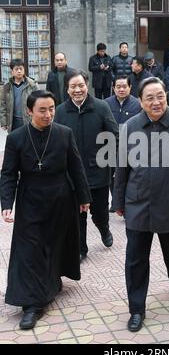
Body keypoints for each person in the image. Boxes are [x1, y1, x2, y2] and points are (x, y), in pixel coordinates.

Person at [113, 77, 169, 332]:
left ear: (167, 96)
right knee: (135, 258)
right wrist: (118, 201)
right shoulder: (130, 126)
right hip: (138, 202)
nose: (156, 102)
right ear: (140, 101)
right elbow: (122, 168)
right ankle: (137, 309)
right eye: (149, 98)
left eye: (160, 96)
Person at [0, 90, 91, 330]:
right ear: (29, 111)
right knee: (29, 251)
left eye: (52, 109)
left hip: (60, 199)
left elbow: (76, 166)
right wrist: (6, 204)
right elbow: (8, 173)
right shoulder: (16, 138)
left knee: (53, 246)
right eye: (42, 110)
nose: (48, 114)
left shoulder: (64, 134)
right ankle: (32, 305)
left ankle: (51, 281)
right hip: (30, 200)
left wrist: (84, 197)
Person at [54, 70, 119, 261]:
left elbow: (113, 136)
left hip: (97, 172)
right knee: (76, 216)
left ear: (87, 85)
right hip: (72, 176)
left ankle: (104, 229)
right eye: (73, 86)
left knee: (99, 213)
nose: (77, 90)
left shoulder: (101, 107)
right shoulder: (60, 111)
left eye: (81, 85)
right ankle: (81, 247)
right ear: (67, 89)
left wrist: (108, 162)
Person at [105, 75, 141, 210]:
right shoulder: (106, 104)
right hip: (110, 145)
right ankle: (116, 201)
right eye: (118, 87)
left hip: (132, 145)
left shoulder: (137, 104)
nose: (121, 89)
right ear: (113, 88)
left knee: (128, 173)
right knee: (112, 175)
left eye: (124, 87)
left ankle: (127, 201)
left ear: (130, 87)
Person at [0, 59, 39, 132]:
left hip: (29, 120)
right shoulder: (7, 86)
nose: (19, 71)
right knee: (14, 141)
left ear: (24, 70)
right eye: (16, 69)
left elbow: (39, 102)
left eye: (21, 69)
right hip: (13, 121)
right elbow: (3, 105)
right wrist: (3, 122)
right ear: (12, 71)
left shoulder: (32, 84)